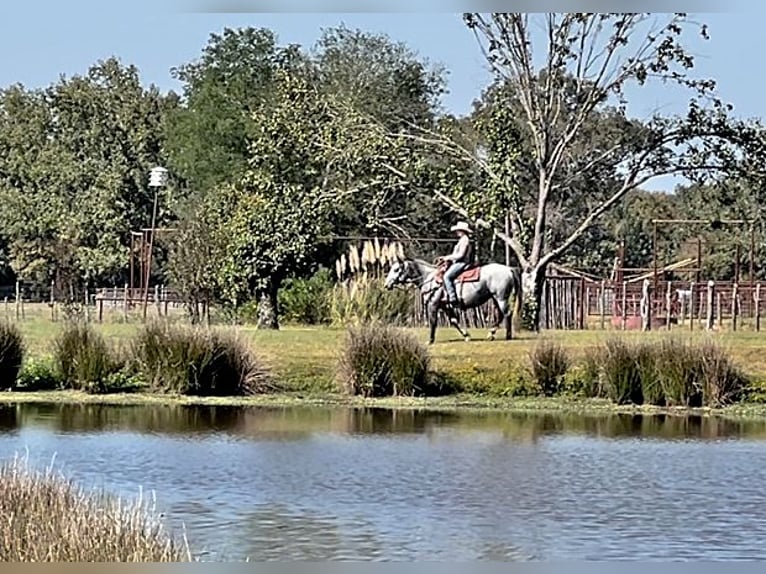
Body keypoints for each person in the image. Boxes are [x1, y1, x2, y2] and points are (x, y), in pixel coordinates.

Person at [441, 221, 474, 306]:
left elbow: (460, 255)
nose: (457, 232)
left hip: (462, 262)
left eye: (458, 230)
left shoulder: (465, 240)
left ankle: (452, 297)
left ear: (462, 231)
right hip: (459, 262)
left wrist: (447, 257)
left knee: (447, 276)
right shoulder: (462, 240)